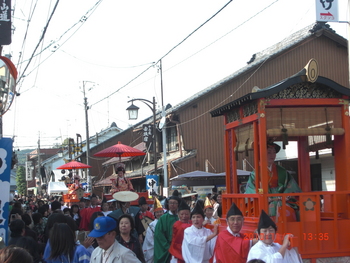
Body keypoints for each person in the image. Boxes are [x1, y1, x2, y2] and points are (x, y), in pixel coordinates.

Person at [245, 142, 302, 219]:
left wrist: (286, 196)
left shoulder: (282, 171)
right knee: (264, 211)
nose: (272, 155)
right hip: (263, 201)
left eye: (274, 152)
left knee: (291, 211)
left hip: (282, 200)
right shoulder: (255, 173)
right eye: (269, 152)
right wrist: (263, 197)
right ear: (262, 154)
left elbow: (291, 186)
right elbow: (251, 189)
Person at [154, 195, 180, 263]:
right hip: (167, 248)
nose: (172, 205)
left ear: (178, 204)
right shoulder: (163, 218)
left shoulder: (181, 217)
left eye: (174, 203)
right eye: (170, 203)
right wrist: (168, 247)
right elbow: (159, 235)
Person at [143, 197, 164, 263]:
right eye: (157, 212)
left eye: (160, 212)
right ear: (155, 214)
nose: (159, 214)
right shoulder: (152, 225)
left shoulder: (166, 222)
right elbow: (149, 239)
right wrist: (158, 245)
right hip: (155, 248)